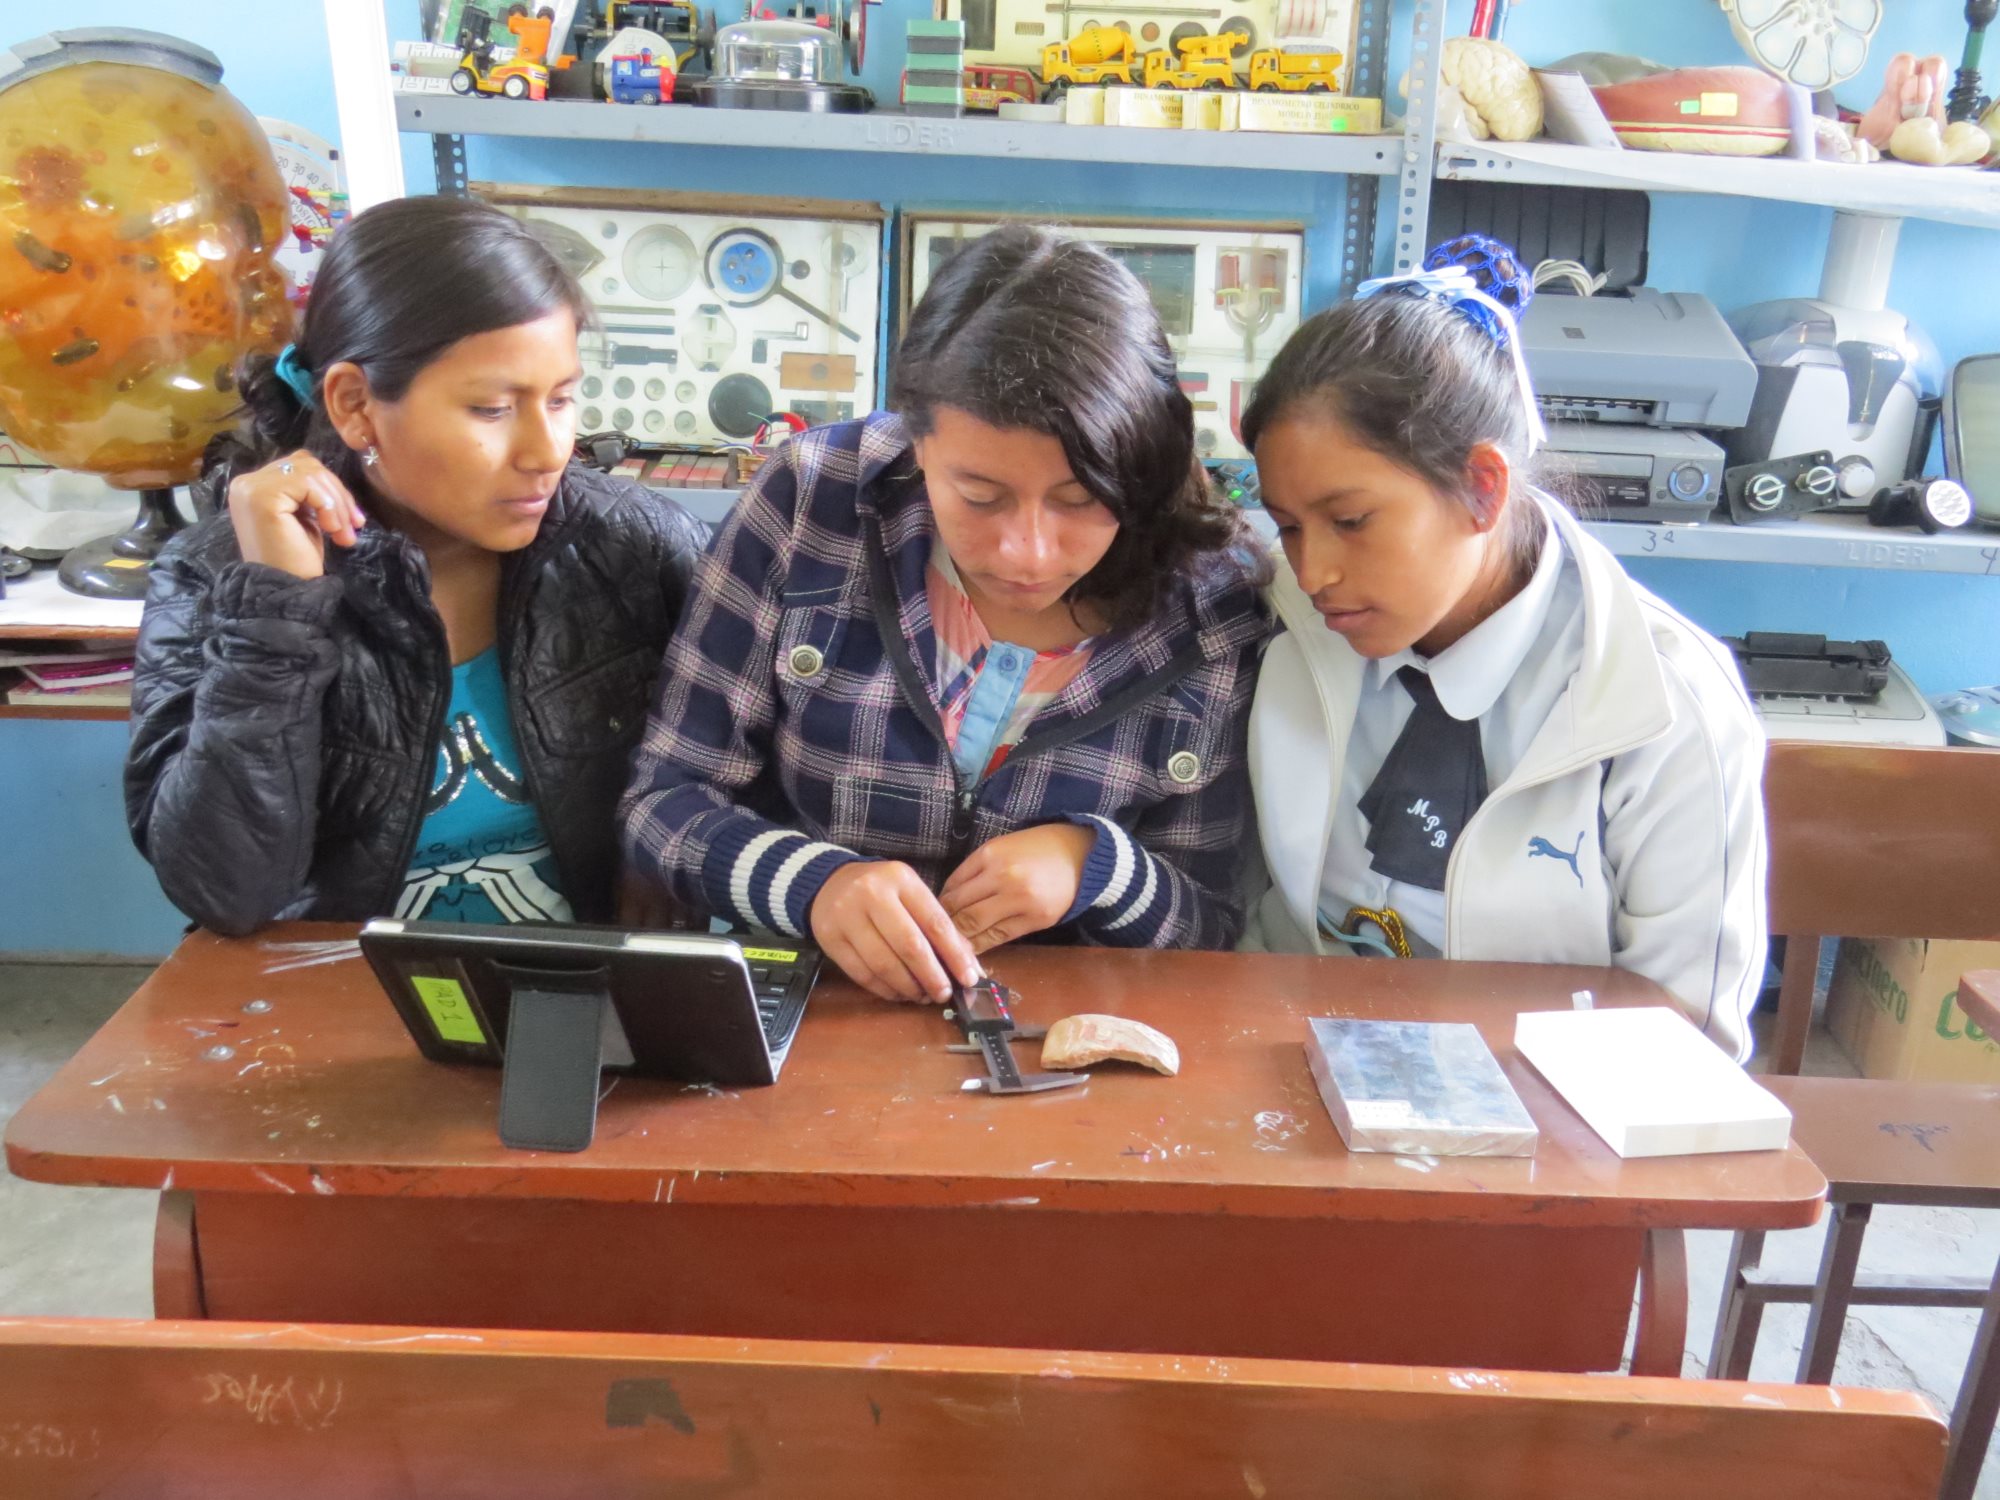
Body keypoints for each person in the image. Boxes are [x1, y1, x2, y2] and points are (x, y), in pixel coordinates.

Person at [621, 225, 1271, 1004]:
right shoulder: (811, 500)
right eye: (980, 496)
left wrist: (1097, 868)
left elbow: (1216, 923)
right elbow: (664, 801)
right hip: (816, 1013)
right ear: (916, 437)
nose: (1026, 553)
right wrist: (812, 885)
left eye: (1082, 500)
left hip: (1067, 1040)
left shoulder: (1214, 600)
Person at [1240, 237, 1767, 1059]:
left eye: (1350, 521)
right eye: (1287, 525)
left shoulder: (1665, 703)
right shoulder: (1273, 615)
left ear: (1483, 489)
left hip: (1551, 1114)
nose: (1313, 571)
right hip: (1285, 1059)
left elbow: (1686, 1039)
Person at [127, 195, 706, 936]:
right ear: (355, 405)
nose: (547, 451)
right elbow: (224, 893)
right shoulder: (214, 578)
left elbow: (751, 762)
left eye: (562, 399)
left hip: (585, 999)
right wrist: (274, 612)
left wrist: (667, 847)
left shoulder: (638, 549)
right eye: (492, 410)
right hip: (336, 1005)